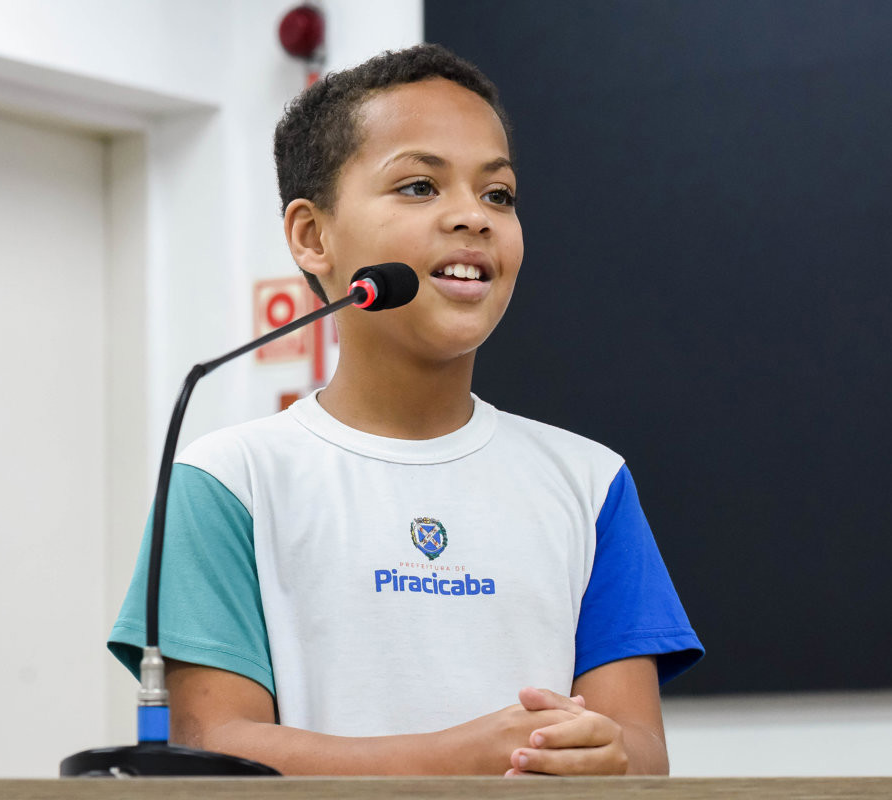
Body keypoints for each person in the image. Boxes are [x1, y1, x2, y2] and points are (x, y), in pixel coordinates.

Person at [109, 43, 702, 776]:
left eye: (499, 194)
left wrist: (602, 754)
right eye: (420, 186)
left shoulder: (591, 482)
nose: (473, 217)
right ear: (312, 236)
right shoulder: (227, 480)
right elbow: (213, 751)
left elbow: (640, 752)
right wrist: (460, 758)